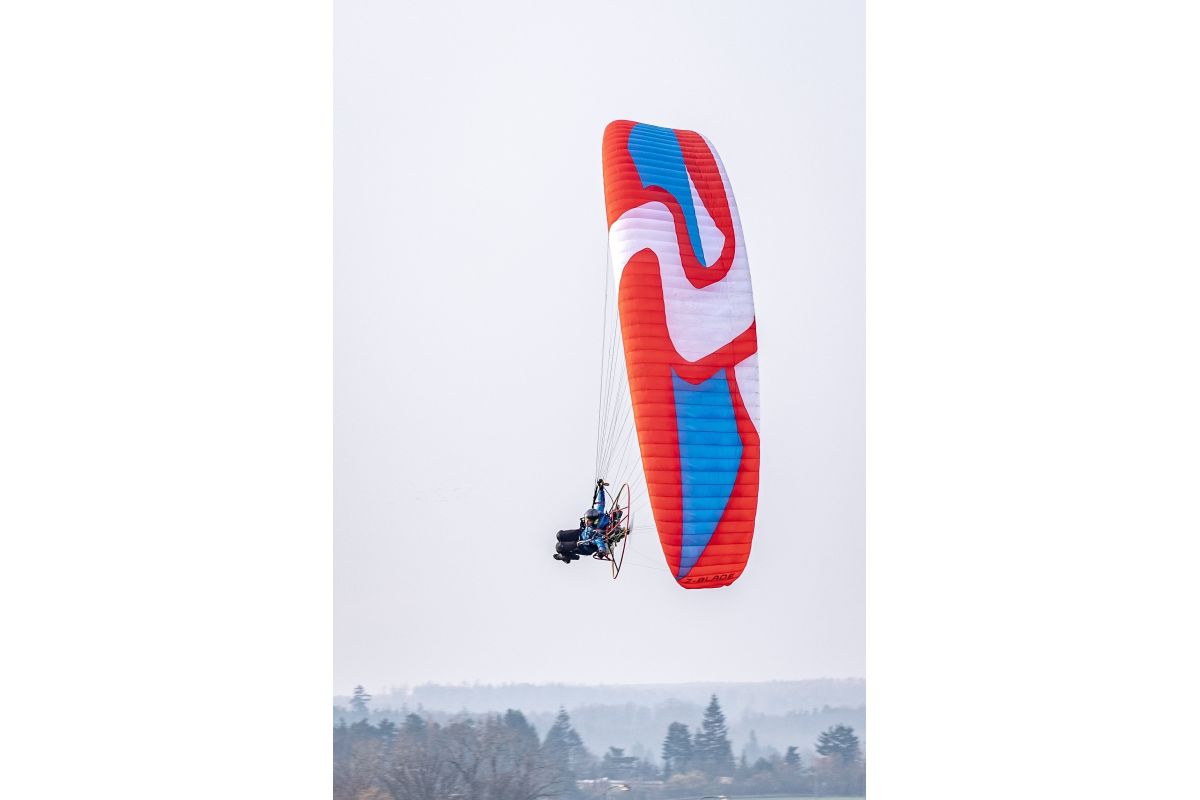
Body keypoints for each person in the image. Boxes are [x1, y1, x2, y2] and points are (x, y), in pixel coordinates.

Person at [553, 479, 612, 564]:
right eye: (586, 519)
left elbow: (599, 541)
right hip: (580, 533)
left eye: (588, 521)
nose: (586, 521)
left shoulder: (596, 532)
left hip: (584, 546)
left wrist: (601, 551)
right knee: (559, 535)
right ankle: (566, 555)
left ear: (594, 521)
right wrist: (601, 489)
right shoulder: (599, 513)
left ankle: (567, 556)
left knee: (559, 547)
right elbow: (601, 503)